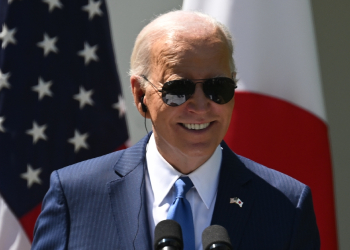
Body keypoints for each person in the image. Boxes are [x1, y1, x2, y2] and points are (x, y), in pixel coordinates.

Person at [32, 11, 320, 250]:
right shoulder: (74, 195)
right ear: (140, 94)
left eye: (217, 87)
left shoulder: (286, 206)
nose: (200, 105)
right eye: (178, 89)